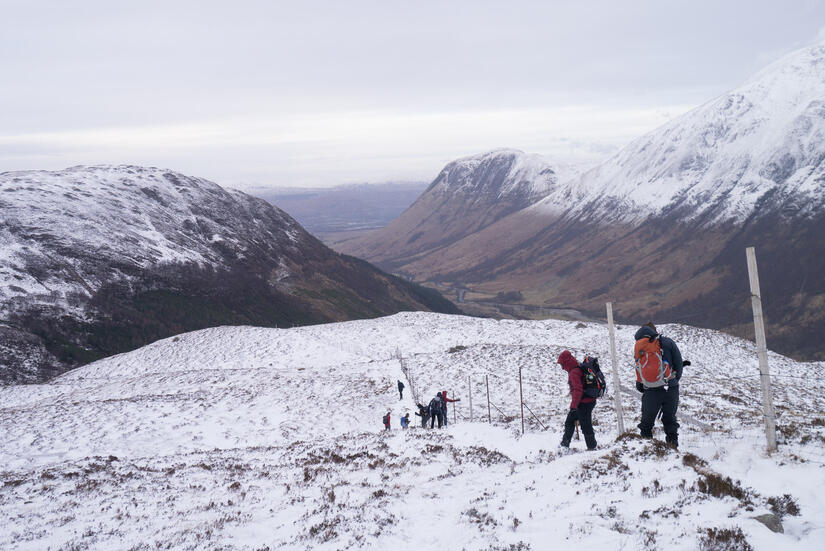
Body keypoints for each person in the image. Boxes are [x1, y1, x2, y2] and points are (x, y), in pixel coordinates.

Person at [634, 322, 690, 449]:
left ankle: (646, 449)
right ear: (655, 332)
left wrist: (642, 384)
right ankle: (672, 448)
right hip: (670, 388)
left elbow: (639, 368)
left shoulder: (640, 347)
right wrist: (674, 381)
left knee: (647, 422)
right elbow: (678, 364)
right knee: (670, 419)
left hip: (651, 389)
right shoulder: (668, 343)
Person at [558, 350, 597, 450]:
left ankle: (592, 448)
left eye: (562, 364)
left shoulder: (574, 372)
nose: (562, 367)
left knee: (585, 425)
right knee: (571, 421)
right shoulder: (576, 367)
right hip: (586, 401)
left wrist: (573, 406)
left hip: (584, 402)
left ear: (566, 362)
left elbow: (578, 390)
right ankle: (564, 445)